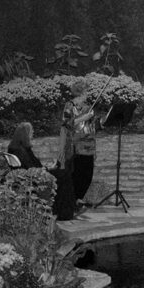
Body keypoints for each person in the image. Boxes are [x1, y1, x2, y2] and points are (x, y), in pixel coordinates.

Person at [60, 78, 98, 206]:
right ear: (81, 92)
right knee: (76, 173)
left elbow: (92, 127)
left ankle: (79, 198)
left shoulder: (88, 107)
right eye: (86, 91)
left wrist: (102, 122)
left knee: (88, 174)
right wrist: (84, 117)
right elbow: (66, 123)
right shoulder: (69, 105)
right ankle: (73, 199)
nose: (88, 93)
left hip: (89, 144)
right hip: (75, 145)